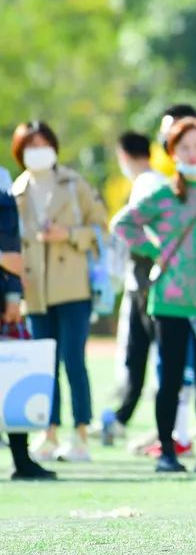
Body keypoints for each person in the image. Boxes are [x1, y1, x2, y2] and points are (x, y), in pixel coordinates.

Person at [112, 117, 196, 473]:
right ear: (173, 153)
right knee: (169, 378)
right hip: (168, 299)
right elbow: (122, 224)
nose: (192, 152)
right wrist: (155, 252)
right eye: (183, 147)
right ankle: (167, 452)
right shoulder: (164, 194)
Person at [9, 121, 109, 463]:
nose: (38, 149)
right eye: (30, 144)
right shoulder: (16, 190)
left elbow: (100, 227)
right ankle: (47, 431)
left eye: (43, 143)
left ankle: (80, 433)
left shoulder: (74, 182)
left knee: (73, 360)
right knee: (42, 364)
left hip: (73, 285)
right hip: (34, 290)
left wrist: (68, 234)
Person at [103, 131, 168, 443]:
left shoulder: (147, 184)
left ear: (123, 156)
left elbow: (129, 227)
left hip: (147, 282)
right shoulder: (157, 182)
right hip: (142, 282)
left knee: (153, 354)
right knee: (141, 353)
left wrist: (154, 253)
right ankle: (123, 415)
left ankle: (160, 425)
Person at [1, 180, 56, 479]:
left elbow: (12, 252)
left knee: (11, 377)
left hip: (2, 301)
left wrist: (12, 296)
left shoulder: (2, 192)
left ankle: (21, 459)